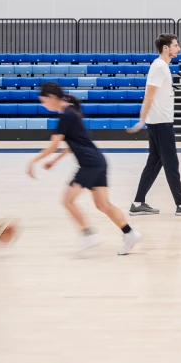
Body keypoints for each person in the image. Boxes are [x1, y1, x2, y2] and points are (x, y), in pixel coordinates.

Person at [28, 81, 140, 257]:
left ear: (51, 97)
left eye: (43, 101)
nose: (43, 105)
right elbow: (73, 144)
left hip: (90, 163)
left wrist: (33, 161)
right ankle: (130, 233)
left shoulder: (67, 115)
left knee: (67, 201)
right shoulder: (71, 112)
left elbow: (53, 145)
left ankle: (88, 235)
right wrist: (55, 160)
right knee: (103, 204)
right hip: (98, 161)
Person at [129, 33, 181, 216]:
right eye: (176, 45)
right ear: (166, 48)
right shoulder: (159, 67)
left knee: (154, 163)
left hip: (159, 122)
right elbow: (148, 95)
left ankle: (138, 203)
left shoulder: (162, 67)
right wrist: (142, 118)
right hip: (160, 123)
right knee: (171, 163)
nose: (178, 48)